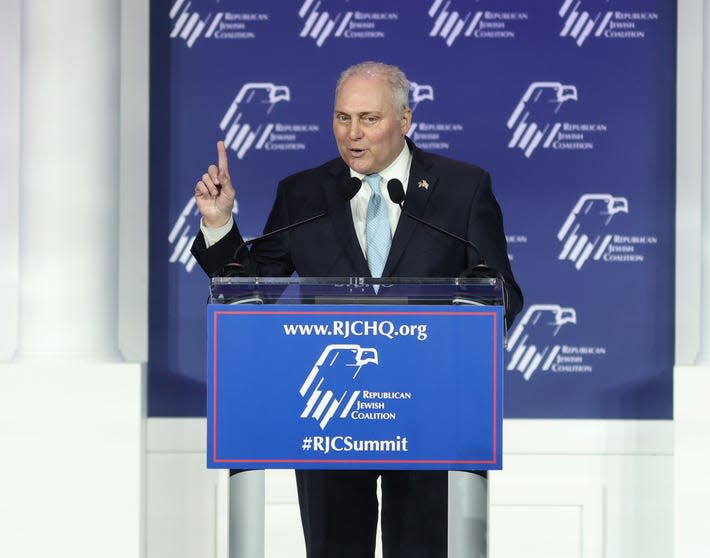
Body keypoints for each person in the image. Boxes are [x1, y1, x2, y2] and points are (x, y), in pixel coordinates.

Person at [191, 61, 523, 558]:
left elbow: (504, 291)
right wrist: (219, 225)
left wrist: (468, 319)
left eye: (369, 118)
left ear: (404, 120)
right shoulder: (303, 193)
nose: (353, 134)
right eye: (343, 118)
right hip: (330, 420)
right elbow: (252, 291)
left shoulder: (462, 188)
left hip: (429, 415)